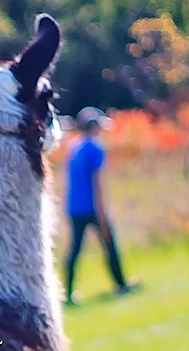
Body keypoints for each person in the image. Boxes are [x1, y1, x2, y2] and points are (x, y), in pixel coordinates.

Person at [62, 107, 137, 305]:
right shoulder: (95, 148)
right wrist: (102, 212)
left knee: (74, 251)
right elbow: (97, 183)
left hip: (74, 207)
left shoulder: (74, 147)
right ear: (94, 127)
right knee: (109, 245)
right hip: (92, 207)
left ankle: (67, 292)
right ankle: (121, 284)